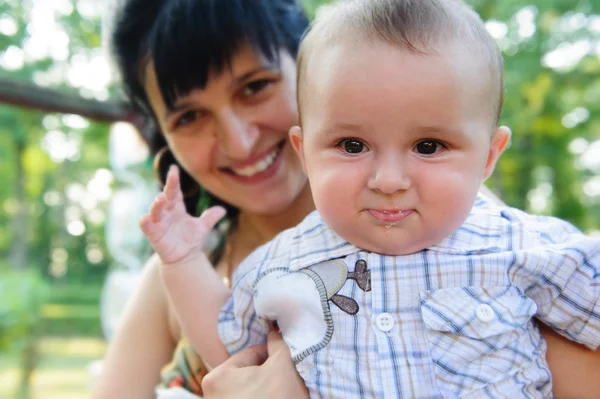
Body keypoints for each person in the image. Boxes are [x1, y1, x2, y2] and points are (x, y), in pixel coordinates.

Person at [94, 0, 600, 398]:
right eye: (189, 116)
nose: (239, 141)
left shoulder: (476, 231)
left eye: (255, 87)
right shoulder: (185, 272)